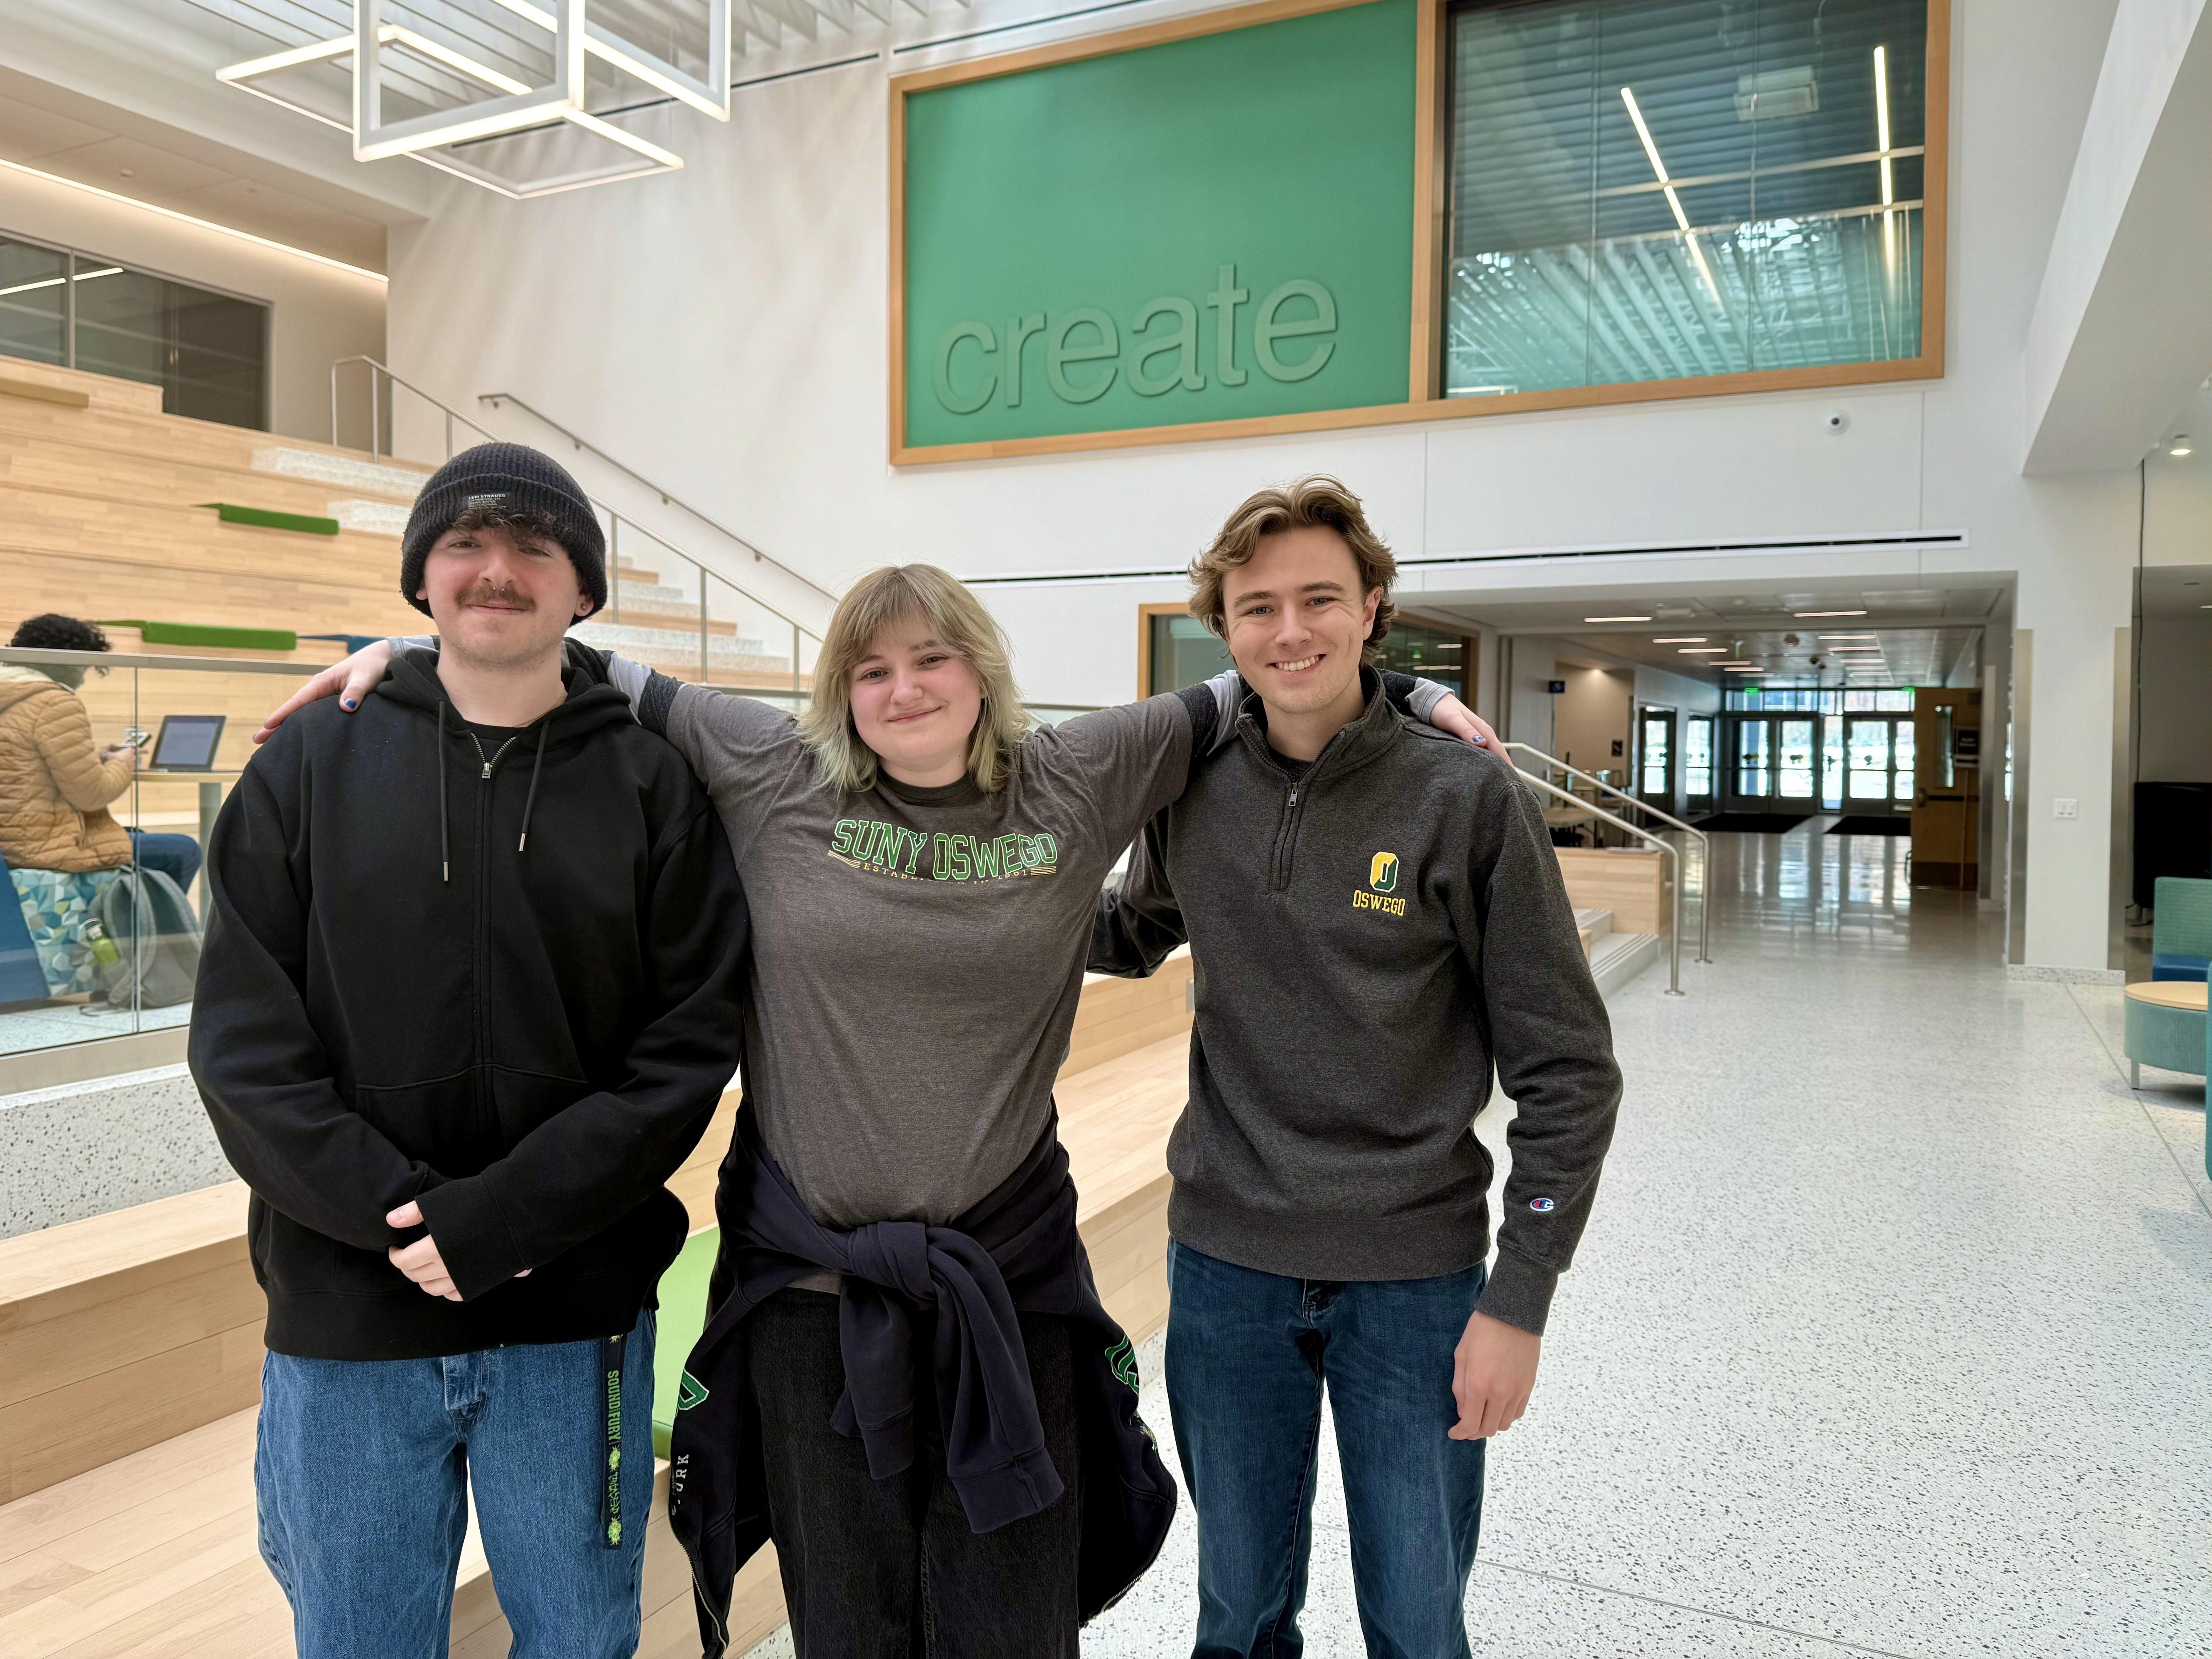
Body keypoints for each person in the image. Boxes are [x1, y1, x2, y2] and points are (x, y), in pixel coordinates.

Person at [257, 555, 1491, 1659]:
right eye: (871, 668)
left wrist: (1412, 696)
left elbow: (1260, 682)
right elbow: (581, 664)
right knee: (846, 1620)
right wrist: (410, 652)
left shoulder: (1075, 773)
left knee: (1012, 1618)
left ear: (981, 670)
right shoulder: (774, 770)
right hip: (811, 1296)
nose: (903, 688)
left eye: (930, 658)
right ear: (840, 691)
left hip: (1006, 1283)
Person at [191, 443, 749, 1659]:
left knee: (579, 1639)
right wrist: (404, 1217)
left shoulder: (655, 783)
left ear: (582, 588)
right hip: (351, 1308)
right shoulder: (305, 763)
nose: (497, 569)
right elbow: (242, 1044)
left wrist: (507, 1218)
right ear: (421, 578)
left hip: (573, 1322)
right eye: (465, 543)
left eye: (533, 546)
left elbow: (685, 1047)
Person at [1089, 476, 1623, 1659]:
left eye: (1320, 599)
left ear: (1372, 606)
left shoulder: (1464, 794)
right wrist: (952, 893)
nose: (1291, 631)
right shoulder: (1190, 784)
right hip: (1224, 1268)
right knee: (1235, 1616)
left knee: (1417, 1624)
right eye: (1257, 607)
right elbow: (1129, 929)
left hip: (1413, 1280)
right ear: (1222, 629)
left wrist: (1519, 1297)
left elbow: (1568, 1071)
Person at [0, 613, 203, 891]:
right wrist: (122, 763)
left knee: (139, 836)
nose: (83, 679)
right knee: (184, 850)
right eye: (84, 667)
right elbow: (92, 794)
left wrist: (96, 759)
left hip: (12, 843)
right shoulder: (54, 703)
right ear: (70, 661)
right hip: (46, 847)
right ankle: (148, 922)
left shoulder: (11, 695)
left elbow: (22, 770)